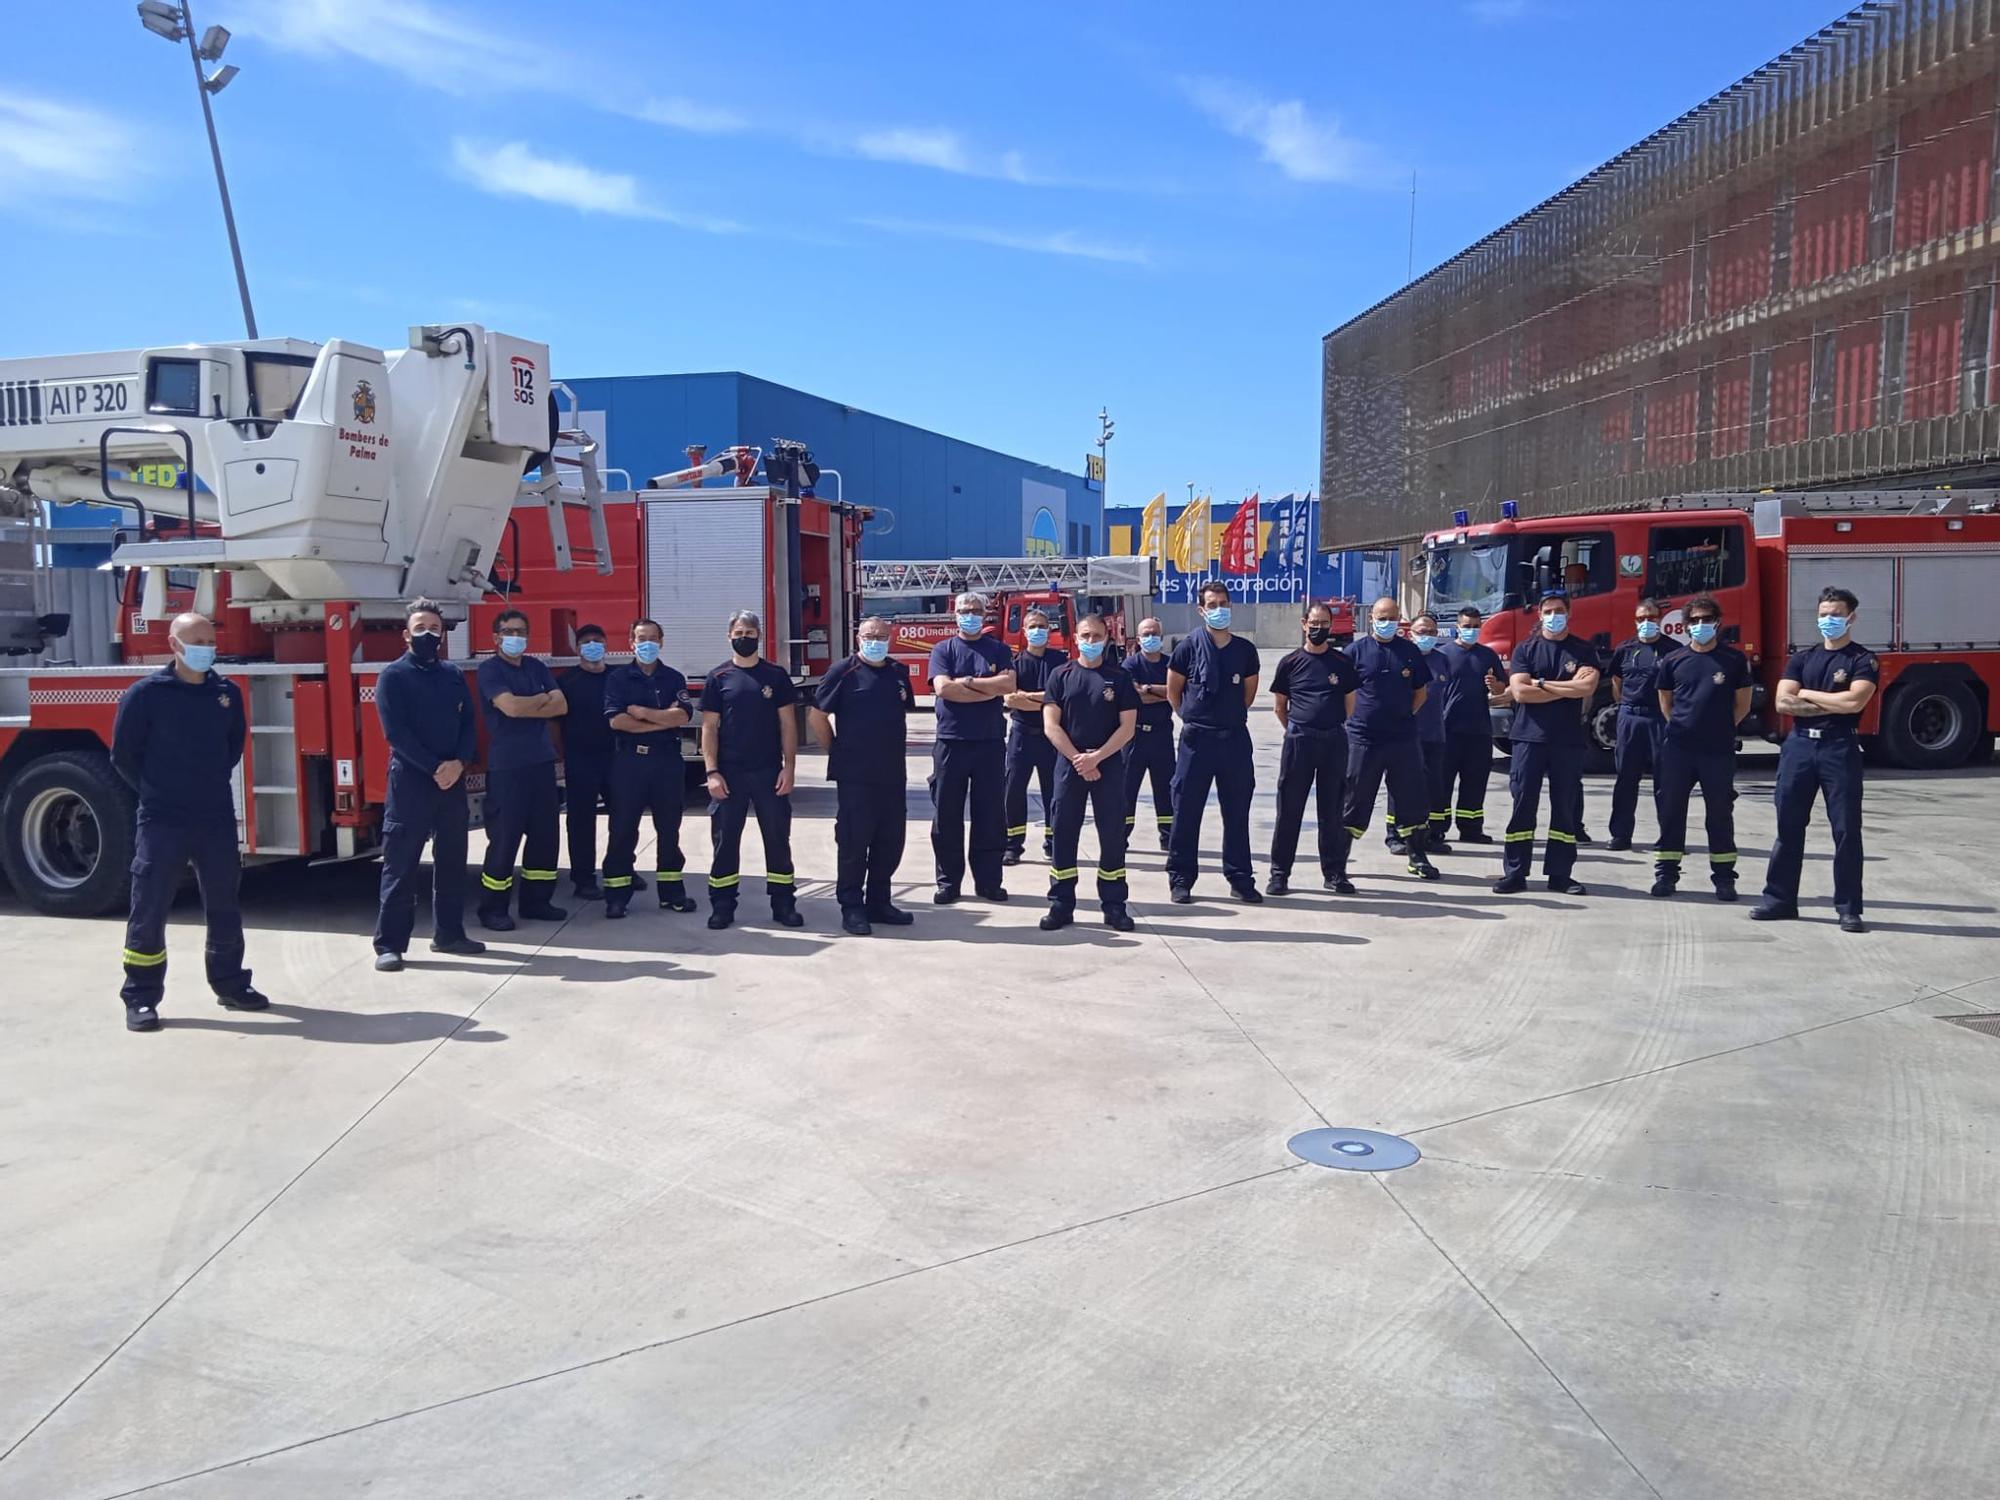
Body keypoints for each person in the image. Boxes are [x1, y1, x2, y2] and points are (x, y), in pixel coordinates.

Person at [109, 611, 267, 1030]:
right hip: (163, 819)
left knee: (224, 905)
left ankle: (231, 984)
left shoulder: (226, 694)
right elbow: (123, 755)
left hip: (213, 816)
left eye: (210, 641)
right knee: (150, 906)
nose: (206, 649)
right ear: (175, 645)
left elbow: (233, 745)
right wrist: (159, 792)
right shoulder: (146, 695)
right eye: (196, 641)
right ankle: (141, 996)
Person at [1753, 587, 1879, 932]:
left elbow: (1854, 703)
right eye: (1824, 613)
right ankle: (1779, 900)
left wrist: (1806, 694)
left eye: (1836, 614)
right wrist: (1826, 700)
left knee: (1846, 830)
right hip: (1799, 748)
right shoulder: (1802, 658)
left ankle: (1849, 908)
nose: (1828, 620)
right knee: (1788, 827)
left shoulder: (1862, 660)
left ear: (1851, 617)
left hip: (1839, 748)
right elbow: (1782, 702)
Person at [371, 600, 486, 972]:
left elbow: (469, 723)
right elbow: (396, 733)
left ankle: (449, 934)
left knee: (452, 861)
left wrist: (459, 762)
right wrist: (435, 766)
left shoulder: (451, 674)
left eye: (434, 628)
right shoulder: (393, 676)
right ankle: (390, 945)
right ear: (406, 634)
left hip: (451, 781)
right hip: (412, 782)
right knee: (400, 865)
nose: (427, 634)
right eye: (420, 628)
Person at [812, 616, 917, 936]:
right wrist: (837, 751)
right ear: (858, 637)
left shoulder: (898, 673)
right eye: (870, 635)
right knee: (854, 841)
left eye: (882, 636)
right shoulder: (842, 671)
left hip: (892, 774)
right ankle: (852, 905)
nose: (876, 640)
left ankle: (879, 902)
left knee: (890, 840)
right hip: (855, 775)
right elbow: (817, 717)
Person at [701, 609, 802, 930]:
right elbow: (709, 729)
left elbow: (788, 725)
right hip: (729, 774)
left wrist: (789, 768)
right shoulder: (718, 678)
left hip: (768, 771)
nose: (744, 638)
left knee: (777, 839)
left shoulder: (775, 676)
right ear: (729, 636)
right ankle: (722, 905)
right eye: (739, 633)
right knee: (725, 841)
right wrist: (712, 772)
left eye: (750, 633)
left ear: (760, 635)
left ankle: (784, 904)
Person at [1040, 614, 1142, 931]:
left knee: (1112, 836)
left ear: (1107, 639)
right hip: (1070, 766)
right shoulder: (1061, 675)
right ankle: (1061, 904)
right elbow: (1050, 725)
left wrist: (1096, 757)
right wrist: (1078, 759)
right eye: (1086, 635)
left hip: (1108, 764)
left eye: (1097, 636)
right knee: (1063, 834)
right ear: (1075, 639)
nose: (1091, 641)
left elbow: (1128, 727)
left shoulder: (1119, 678)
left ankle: (1114, 906)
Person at [1495, 591, 1600, 895]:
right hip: (1529, 738)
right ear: (1539, 615)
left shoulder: (1583, 650)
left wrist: (1540, 683)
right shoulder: (1525, 650)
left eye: (1559, 610)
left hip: (1567, 740)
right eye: (1549, 611)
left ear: (1569, 613)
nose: (1554, 615)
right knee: (1523, 805)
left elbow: (1588, 687)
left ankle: (1560, 875)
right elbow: (1520, 693)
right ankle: (1515, 873)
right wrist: (1566, 687)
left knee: (1564, 809)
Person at [1652, 594, 1754, 901]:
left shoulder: (1734, 661)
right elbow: (1666, 702)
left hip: (1717, 750)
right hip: (1679, 749)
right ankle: (1666, 874)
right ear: (1685, 626)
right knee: (1671, 811)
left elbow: (1743, 705)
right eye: (1694, 621)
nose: (1700, 625)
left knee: (1720, 813)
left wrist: (1718, 728)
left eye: (1706, 619)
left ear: (1718, 622)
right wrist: (1684, 728)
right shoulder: (1673, 661)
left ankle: (1724, 877)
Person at [1165, 580, 1262, 903]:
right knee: (1186, 810)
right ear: (1201, 609)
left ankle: (1239, 877)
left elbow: (1247, 696)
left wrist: (1225, 717)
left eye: (1223, 603)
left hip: (1233, 740)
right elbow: (1173, 692)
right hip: (1196, 741)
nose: (1219, 609)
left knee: (1236, 811)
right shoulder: (1187, 647)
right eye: (1212, 604)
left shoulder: (1245, 651)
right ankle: (1181, 878)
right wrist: (1192, 718)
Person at [475, 609, 569, 931]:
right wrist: (540, 699)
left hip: (541, 763)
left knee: (545, 837)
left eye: (520, 631)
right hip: (508, 768)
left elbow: (562, 705)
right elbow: (510, 708)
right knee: (504, 839)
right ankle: (493, 909)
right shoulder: (490, 670)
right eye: (508, 631)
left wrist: (530, 702)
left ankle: (536, 902)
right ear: (496, 637)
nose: (515, 637)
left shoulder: (536, 666)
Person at [601, 618, 697, 920]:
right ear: (631, 642)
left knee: (669, 830)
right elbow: (616, 721)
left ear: (662, 642)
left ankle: (671, 894)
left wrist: (642, 714)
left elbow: (681, 716)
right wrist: (660, 719)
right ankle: (617, 897)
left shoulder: (674, 678)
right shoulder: (618, 679)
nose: (647, 644)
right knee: (622, 830)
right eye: (641, 638)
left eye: (653, 638)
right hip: (630, 763)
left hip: (667, 762)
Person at [1265, 601, 1362, 896]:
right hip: (1299, 741)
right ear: (1304, 623)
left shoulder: (1342, 663)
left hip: (1333, 741)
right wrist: (1297, 729)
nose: (1319, 629)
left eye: (1324, 624)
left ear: (1331, 627)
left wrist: (1330, 726)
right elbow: (1280, 707)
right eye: (1314, 623)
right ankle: (1279, 874)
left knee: (1332, 812)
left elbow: (1350, 704)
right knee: (1289, 810)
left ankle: (1334, 873)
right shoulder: (1290, 663)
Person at [1341, 596, 1439, 881]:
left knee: (1412, 798)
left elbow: (1420, 692)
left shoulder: (1409, 652)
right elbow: (1341, 692)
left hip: (1402, 739)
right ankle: (1339, 862)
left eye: (1392, 617)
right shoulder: (1355, 652)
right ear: (1371, 617)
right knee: (1354, 798)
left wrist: (1403, 716)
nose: (1387, 622)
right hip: (1363, 739)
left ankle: (1417, 857)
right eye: (1382, 617)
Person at [927, 591, 1016, 904]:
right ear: (955, 614)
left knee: (990, 815)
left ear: (986, 613)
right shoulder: (943, 649)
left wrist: (966, 683)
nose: (971, 614)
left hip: (990, 742)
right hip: (951, 742)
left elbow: (1007, 686)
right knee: (947, 815)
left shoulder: (999, 649)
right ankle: (948, 882)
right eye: (965, 609)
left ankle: (989, 881)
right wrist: (985, 688)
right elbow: (943, 689)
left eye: (977, 610)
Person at [1605, 598, 1679, 851]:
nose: (1646, 622)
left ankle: (1669, 837)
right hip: (1630, 717)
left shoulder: (1673, 650)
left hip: (1659, 718)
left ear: (1660, 620)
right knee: (1626, 777)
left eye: (1651, 617)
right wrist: (1624, 705)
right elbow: (1616, 680)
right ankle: (1620, 835)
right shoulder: (1625, 649)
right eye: (1641, 618)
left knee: (1665, 780)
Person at [1435, 607, 1508, 844]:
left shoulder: (1487, 656)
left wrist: (1495, 685)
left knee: (1475, 783)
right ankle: (1437, 828)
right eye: (1467, 626)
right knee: (1442, 782)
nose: (1471, 631)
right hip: (1448, 731)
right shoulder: (1443, 655)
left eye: (1476, 626)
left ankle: (1471, 828)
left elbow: (1501, 690)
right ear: (1458, 626)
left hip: (1478, 731)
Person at [1002, 607, 1067, 864]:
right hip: (1021, 736)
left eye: (1042, 625)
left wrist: (1027, 696)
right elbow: (1010, 699)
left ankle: (1053, 842)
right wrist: (1043, 698)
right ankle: (1013, 845)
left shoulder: (1060, 661)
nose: (1037, 630)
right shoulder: (1014, 663)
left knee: (1054, 792)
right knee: (1014, 790)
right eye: (1032, 626)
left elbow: (1060, 697)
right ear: (1024, 631)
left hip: (1051, 736)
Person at [1386, 612, 1452, 855]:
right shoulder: (1402, 657)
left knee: (1434, 786)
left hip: (1435, 734)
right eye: (1422, 631)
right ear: (1410, 632)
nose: (1427, 636)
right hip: (1405, 734)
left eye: (1432, 632)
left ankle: (1431, 835)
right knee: (1400, 786)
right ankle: (1395, 835)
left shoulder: (1442, 660)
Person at [559, 623, 615, 899]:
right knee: (581, 821)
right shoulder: (567, 681)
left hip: (615, 758)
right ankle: (583, 879)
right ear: (578, 648)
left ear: (606, 644)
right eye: (586, 641)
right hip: (580, 759)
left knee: (623, 817)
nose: (592, 645)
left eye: (597, 640)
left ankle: (620, 868)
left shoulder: (619, 677)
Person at [1122, 616, 1176, 851]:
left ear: (1162, 637)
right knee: (1126, 789)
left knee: (1166, 789)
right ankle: (1120, 835)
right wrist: (1163, 692)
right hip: (1134, 736)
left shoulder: (1171, 663)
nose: (1151, 638)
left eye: (1154, 633)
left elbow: (1179, 691)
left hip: (1162, 735)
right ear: (1138, 637)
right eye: (1146, 634)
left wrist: (1149, 688)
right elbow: (1133, 696)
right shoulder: (1130, 665)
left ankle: (1168, 836)